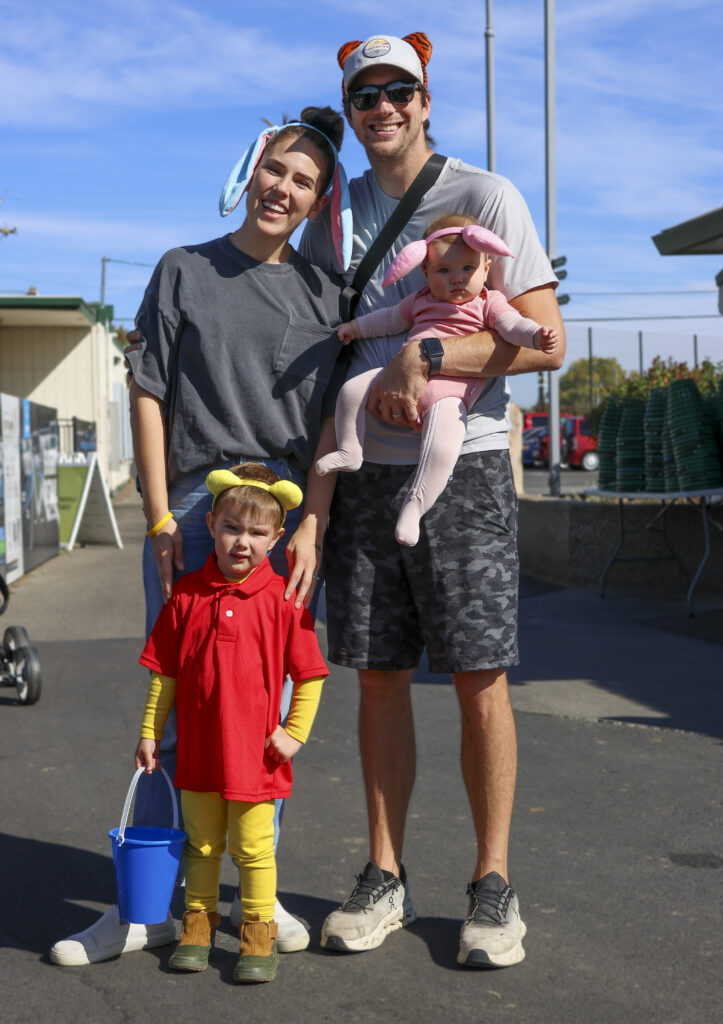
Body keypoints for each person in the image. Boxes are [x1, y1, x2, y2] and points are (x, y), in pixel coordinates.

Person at [49, 106, 347, 967]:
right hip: (191, 509)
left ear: (317, 201)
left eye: (302, 181)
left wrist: (313, 528)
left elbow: (330, 425)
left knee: (257, 716)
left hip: (281, 519)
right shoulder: (182, 270)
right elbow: (147, 391)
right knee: (176, 710)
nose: (281, 188)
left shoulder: (327, 298)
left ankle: (251, 893)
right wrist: (155, 516)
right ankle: (141, 908)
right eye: (274, 170)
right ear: (250, 171)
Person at [297, 32, 566, 966]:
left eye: (396, 91)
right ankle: (383, 877)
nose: (381, 108)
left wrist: (427, 356)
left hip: (467, 465)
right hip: (365, 468)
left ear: (424, 99)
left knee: (477, 673)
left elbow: (546, 340)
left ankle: (493, 887)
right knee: (373, 675)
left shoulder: (486, 197)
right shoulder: (334, 210)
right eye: (363, 95)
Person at [135, 464, 328, 983]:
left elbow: (310, 675)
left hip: (255, 758)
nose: (242, 542)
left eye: (257, 532)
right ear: (212, 523)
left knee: (253, 849)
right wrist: (151, 731)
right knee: (200, 846)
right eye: (231, 528)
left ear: (277, 537)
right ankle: (196, 929)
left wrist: (294, 733)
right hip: (199, 757)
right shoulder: (187, 596)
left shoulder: (285, 601)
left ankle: (257, 933)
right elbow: (165, 676)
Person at [317, 212, 560, 545]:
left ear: (487, 267)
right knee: (351, 390)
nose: (457, 279)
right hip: (399, 380)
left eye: (467, 269)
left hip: (450, 393)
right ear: (425, 273)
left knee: (443, 446)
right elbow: (387, 320)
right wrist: (355, 329)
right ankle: (350, 449)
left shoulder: (489, 302)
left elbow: (513, 327)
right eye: (444, 271)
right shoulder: (419, 301)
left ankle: (415, 506)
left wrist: (536, 336)